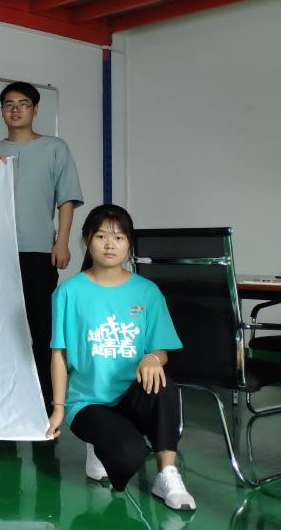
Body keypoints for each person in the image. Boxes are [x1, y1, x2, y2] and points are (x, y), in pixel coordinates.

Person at [46, 204, 196, 511]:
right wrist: (58, 409)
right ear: (87, 240)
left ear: (129, 243)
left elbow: (161, 350)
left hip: (132, 396)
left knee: (164, 384)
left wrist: (153, 359)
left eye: (119, 237)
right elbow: (59, 354)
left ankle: (167, 474)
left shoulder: (147, 292)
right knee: (129, 457)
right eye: (101, 236)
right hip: (89, 403)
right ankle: (100, 443)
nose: (110, 244)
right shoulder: (68, 293)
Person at [0, 81, 82, 411]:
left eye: (23, 104)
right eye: (9, 104)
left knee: (40, 327)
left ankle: (46, 403)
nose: (16, 109)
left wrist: (61, 241)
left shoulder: (55, 147)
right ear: (1, 111)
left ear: (35, 110)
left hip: (38, 251)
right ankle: (3, 400)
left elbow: (66, 198)